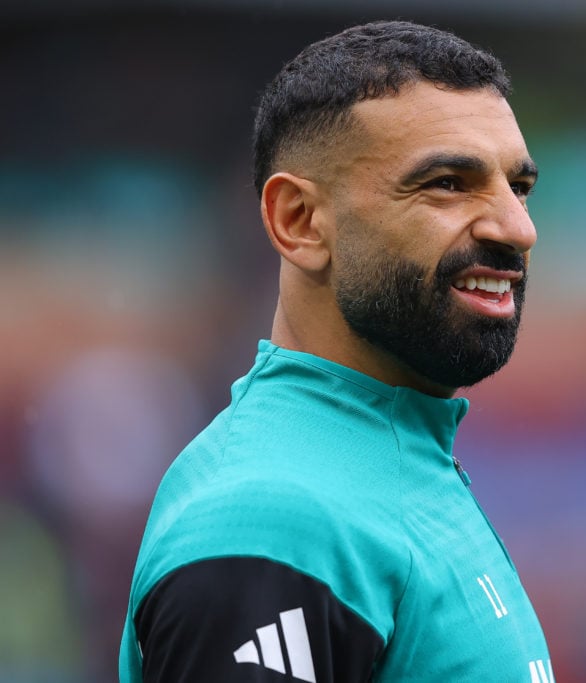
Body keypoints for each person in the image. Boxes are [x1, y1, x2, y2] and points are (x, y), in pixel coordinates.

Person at [119, 20, 553, 682]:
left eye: (516, 186)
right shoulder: (273, 521)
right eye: (446, 182)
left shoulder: (392, 460)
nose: (517, 228)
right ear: (298, 220)